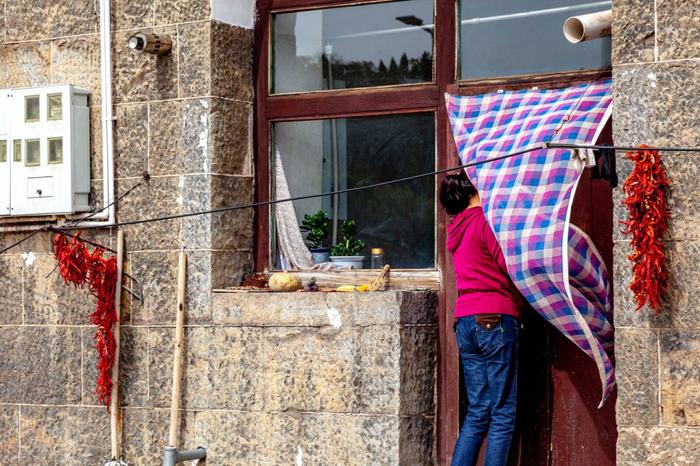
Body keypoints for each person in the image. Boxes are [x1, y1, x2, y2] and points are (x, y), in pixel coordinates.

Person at [440, 171, 523, 466]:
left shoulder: (456, 229)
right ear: (475, 191)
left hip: (465, 320)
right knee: (502, 413)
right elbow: (508, 266)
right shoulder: (484, 221)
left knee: (479, 409)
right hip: (495, 316)